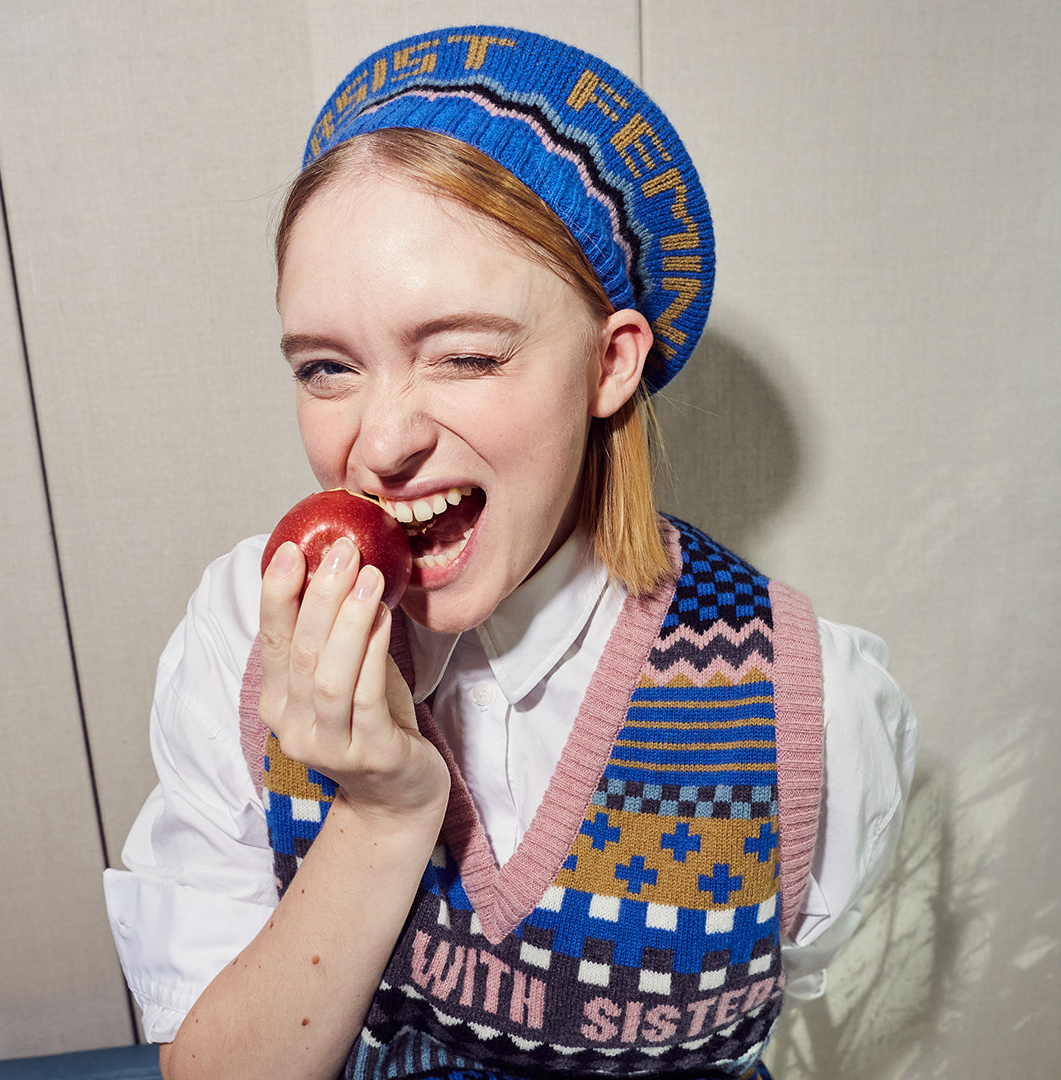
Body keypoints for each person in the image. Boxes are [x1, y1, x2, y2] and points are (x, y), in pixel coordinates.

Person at [104, 25, 916, 1080]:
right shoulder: (247, 630)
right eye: (326, 368)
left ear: (610, 364)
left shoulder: (808, 709)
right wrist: (382, 813)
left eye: (468, 355)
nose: (382, 442)